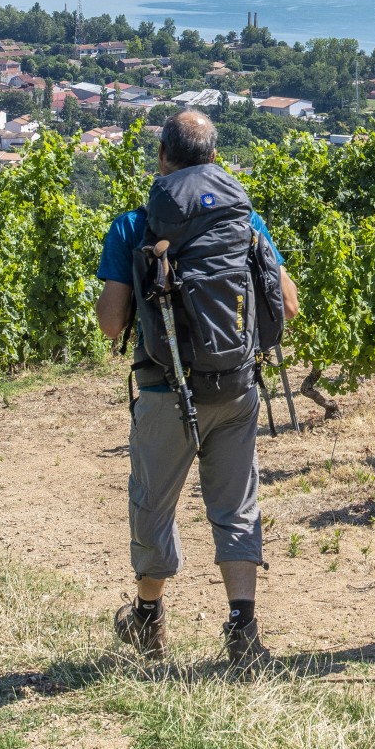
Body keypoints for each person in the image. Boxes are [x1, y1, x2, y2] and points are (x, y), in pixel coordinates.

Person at [94, 109, 300, 665]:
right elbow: (288, 304)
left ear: (163, 158)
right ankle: (242, 628)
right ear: (213, 159)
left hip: (166, 389)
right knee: (236, 505)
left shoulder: (135, 226)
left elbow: (111, 323)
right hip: (236, 386)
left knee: (153, 504)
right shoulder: (245, 221)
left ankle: (148, 617)